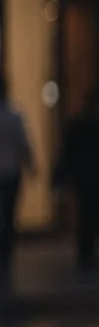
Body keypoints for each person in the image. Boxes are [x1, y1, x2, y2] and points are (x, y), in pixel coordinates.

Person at [56, 94, 99, 271]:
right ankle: (88, 252)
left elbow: (67, 151)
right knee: (91, 214)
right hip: (93, 177)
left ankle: (86, 251)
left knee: (86, 213)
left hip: (83, 177)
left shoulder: (81, 125)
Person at [0, 79, 34, 277]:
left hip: (10, 172)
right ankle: (6, 254)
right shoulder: (13, 117)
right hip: (10, 172)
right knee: (9, 216)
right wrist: (30, 165)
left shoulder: (14, 116)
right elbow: (23, 144)